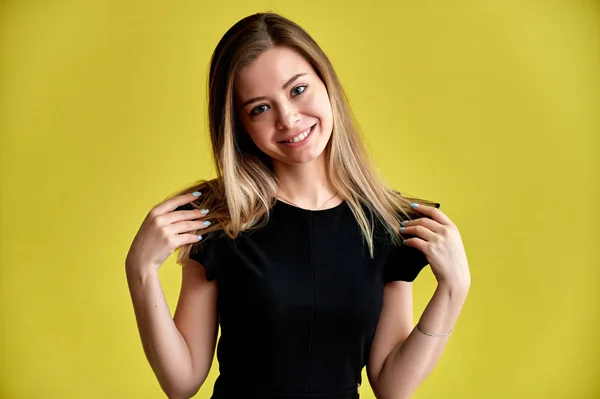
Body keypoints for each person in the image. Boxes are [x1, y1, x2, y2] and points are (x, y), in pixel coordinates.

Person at [125, 12, 471, 399]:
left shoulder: (389, 223)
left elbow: (392, 385)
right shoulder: (221, 218)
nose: (288, 119)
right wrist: (141, 271)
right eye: (260, 108)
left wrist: (453, 289)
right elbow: (182, 381)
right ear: (239, 126)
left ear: (327, 85)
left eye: (297, 90)